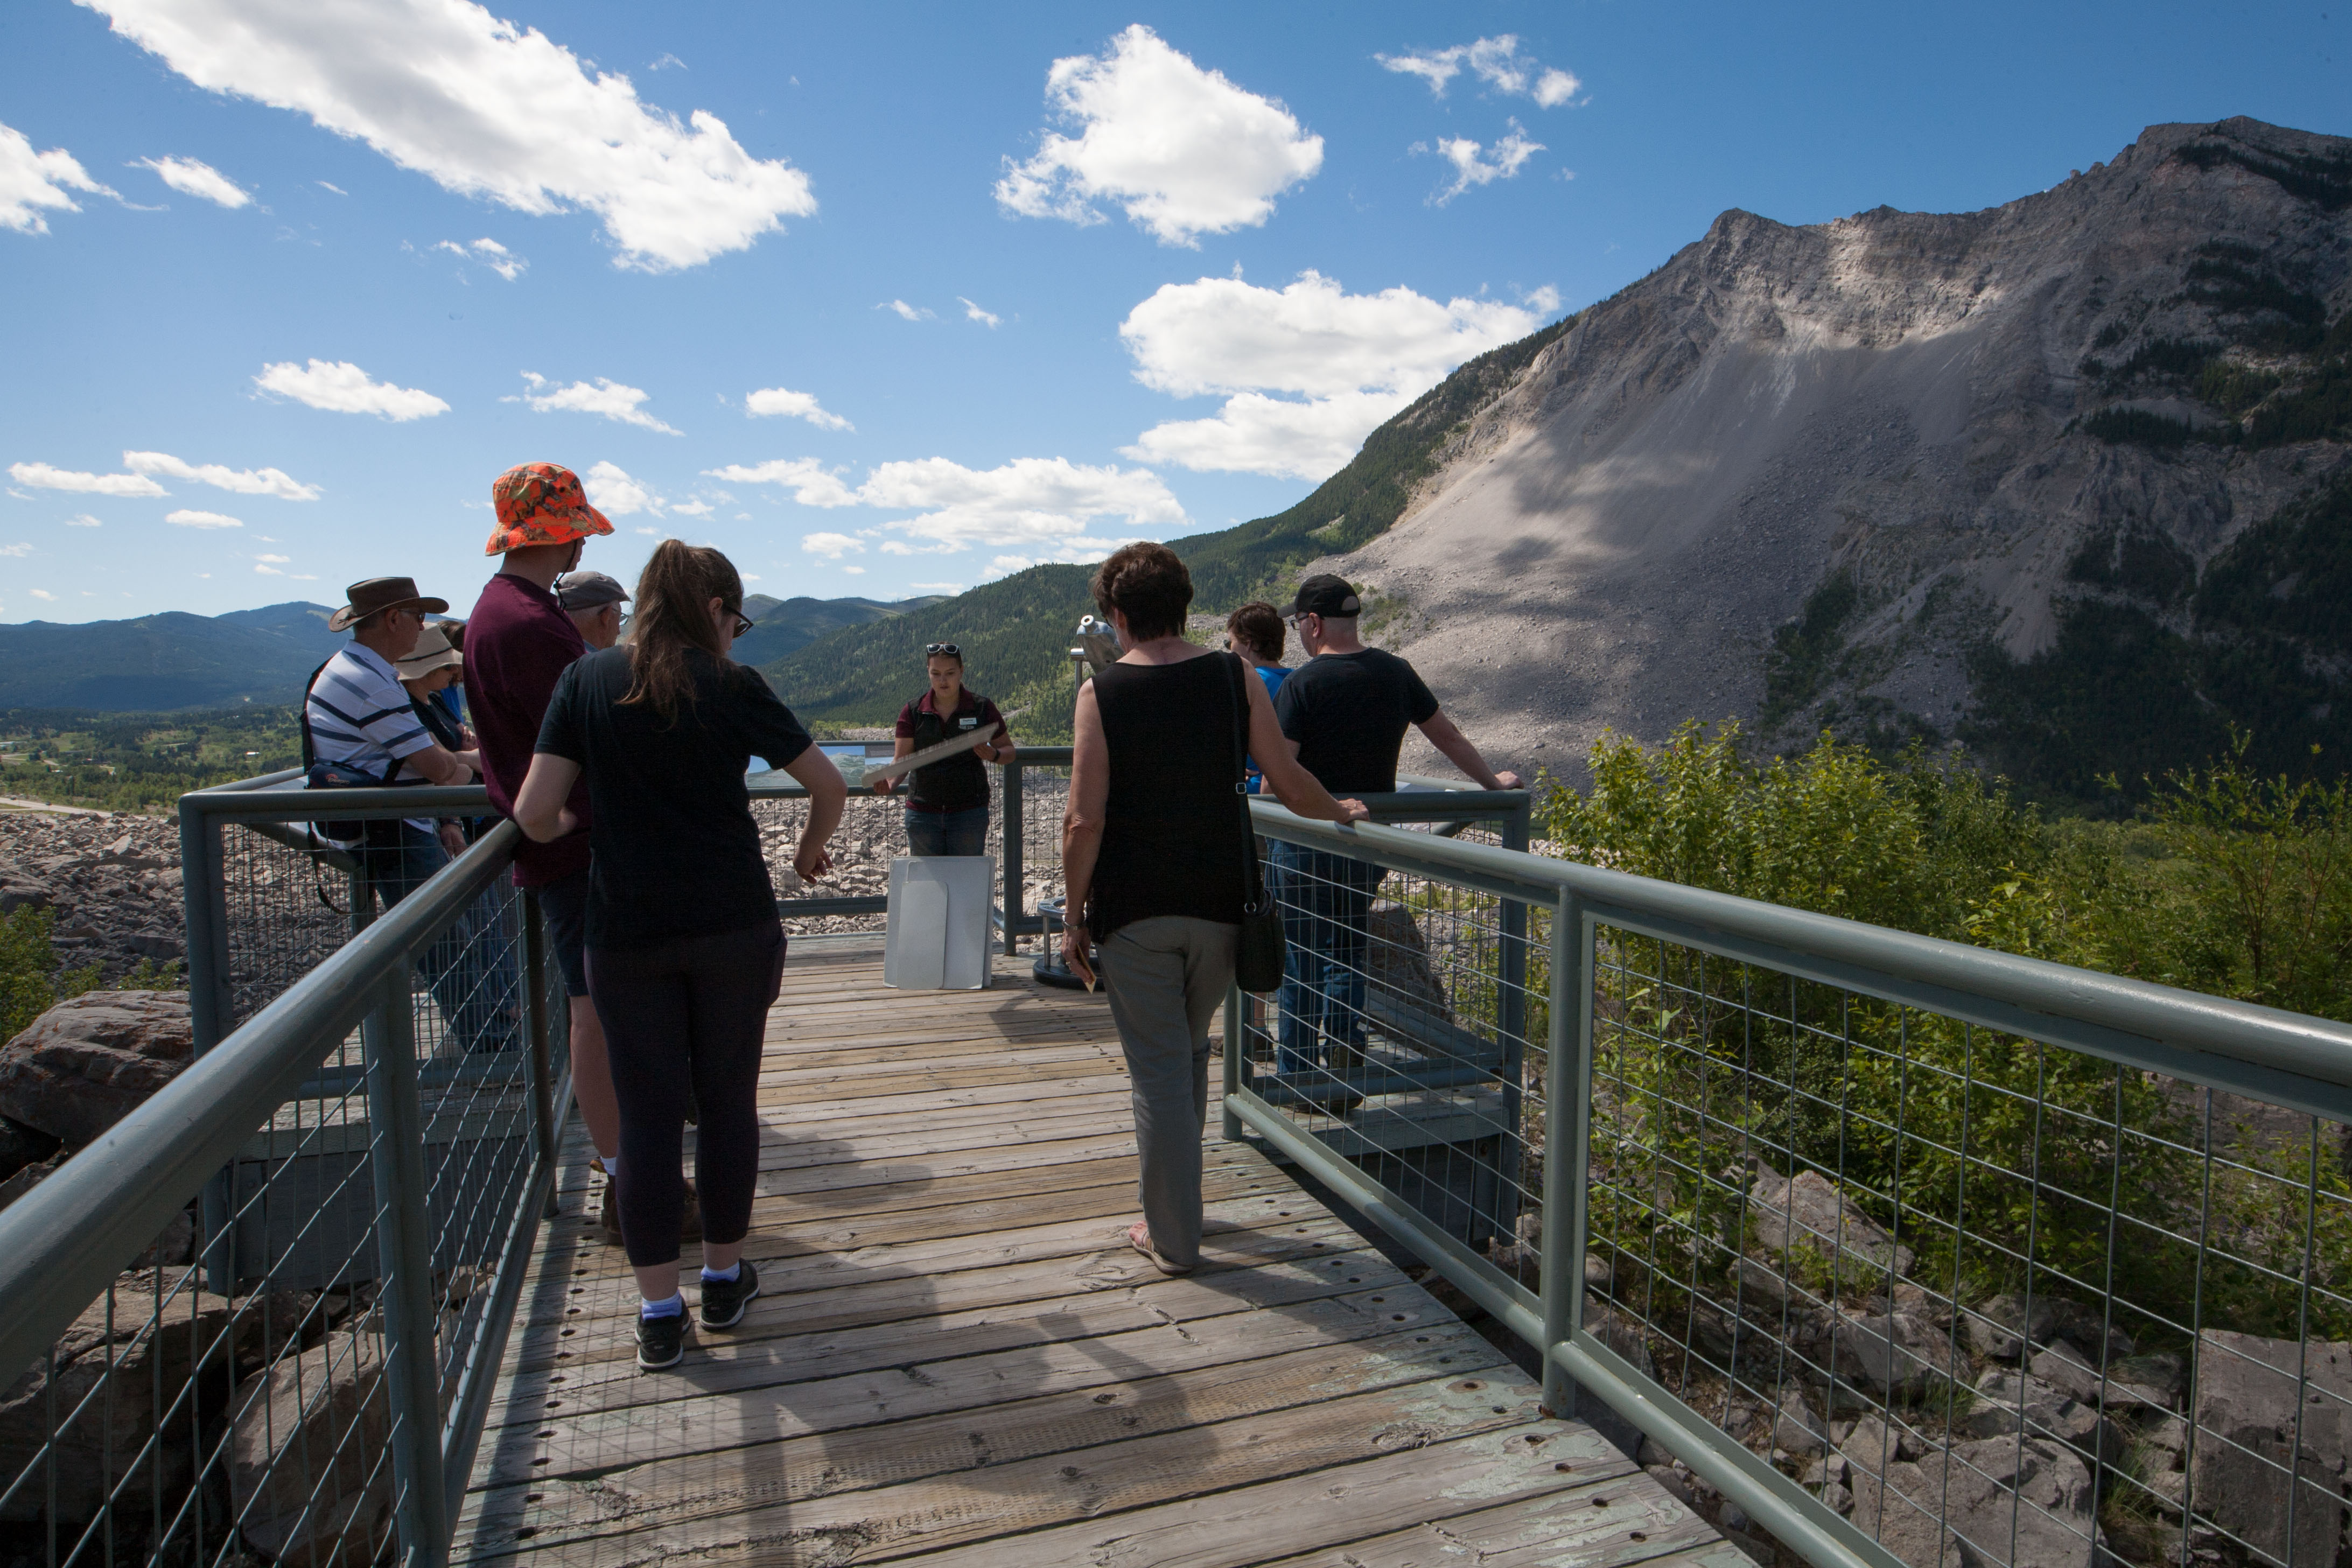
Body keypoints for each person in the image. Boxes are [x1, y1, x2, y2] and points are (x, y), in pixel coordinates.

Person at [514, 540, 848, 1370]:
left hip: (626, 933)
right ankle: (725, 1281)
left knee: (650, 1114)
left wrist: (572, 830)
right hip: (732, 923)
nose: (736, 632)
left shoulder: (585, 679)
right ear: (713, 610)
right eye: (734, 618)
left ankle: (659, 1312)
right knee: (729, 1103)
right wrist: (809, 854)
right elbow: (829, 785)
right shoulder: (733, 685)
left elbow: (533, 810)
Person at [1061, 543, 1367, 1278]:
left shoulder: (1101, 694)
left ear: (1117, 615)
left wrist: (1073, 916)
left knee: (1160, 1072)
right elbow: (1288, 780)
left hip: (1134, 913)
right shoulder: (1233, 675)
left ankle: (1171, 1239)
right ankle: (1180, 1204)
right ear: (1186, 607)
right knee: (1188, 1055)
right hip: (1222, 906)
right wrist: (1341, 813)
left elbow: (1083, 821)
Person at [464, 462, 663, 1244]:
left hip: (563, 843)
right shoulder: (528, 625)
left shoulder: (504, 612)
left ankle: (626, 1172)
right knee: (597, 1016)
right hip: (576, 847)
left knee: (600, 1013)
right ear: (562, 532)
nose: (583, 538)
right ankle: (626, 1182)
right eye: (577, 525)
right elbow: (587, 736)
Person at [1271, 574, 1521, 1078]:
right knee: (1345, 948)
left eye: (1299, 623)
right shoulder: (1395, 673)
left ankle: (1296, 1076)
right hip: (1368, 839)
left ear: (1314, 624)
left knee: (1300, 956)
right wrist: (1494, 784)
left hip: (1307, 839)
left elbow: (1283, 772)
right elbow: (1446, 736)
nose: (1300, 632)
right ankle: (1345, 1053)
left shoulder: (1302, 685)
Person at [306, 577, 512, 1053]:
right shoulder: (371, 682)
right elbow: (438, 766)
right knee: (447, 943)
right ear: (393, 619)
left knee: (454, 932)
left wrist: (451, 769)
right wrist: (469, 767)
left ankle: (496, 1036)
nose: (425, 626)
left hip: (397, 823)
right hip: (393, 828)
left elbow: (438, 760)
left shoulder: (362, 670)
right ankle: (493, 1047)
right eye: (419, 617)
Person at [873, 642, 1013, 856]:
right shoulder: (913, 711)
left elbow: (1009, 752)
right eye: (936, 673)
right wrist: (890, 783)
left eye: (949, 673)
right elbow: (901, 760)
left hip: (969, 813)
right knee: (927, 884)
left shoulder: (982, 708)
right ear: (928, 672)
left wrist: (993, 755)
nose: (943, 680)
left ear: (962, 671)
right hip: (923, 815)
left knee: (966, 880)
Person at [1223, 602, 1289, 792]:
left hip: (1251, 794)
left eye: (1230, 643)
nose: (1230, 649)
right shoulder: (1295, 681)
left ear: (1249, 643)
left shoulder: (1247, 683)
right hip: (1287, 793)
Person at [556, 569, 630, 650]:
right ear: (606, 617)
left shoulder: (546, 652)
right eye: (618, 620)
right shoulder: (603, 662)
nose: (619, 632)